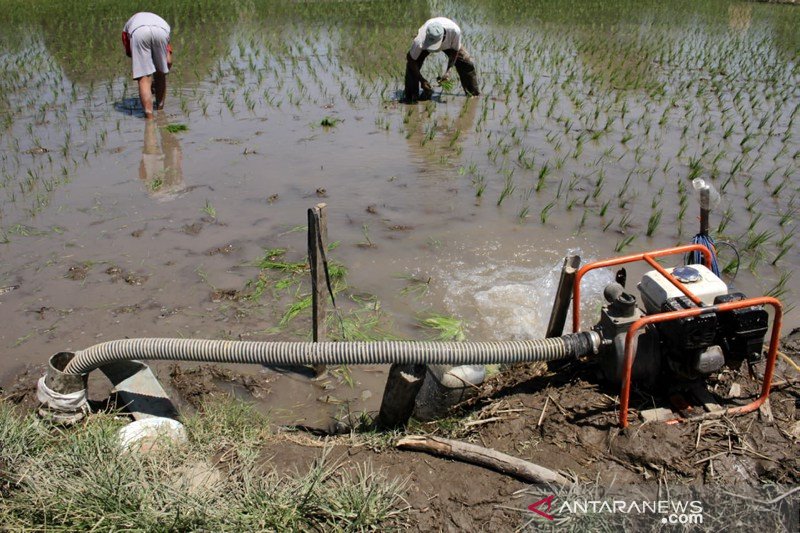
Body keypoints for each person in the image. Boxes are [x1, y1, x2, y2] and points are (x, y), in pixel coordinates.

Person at [404, 17, 480, 103]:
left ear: (443, 37)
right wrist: (422, 80)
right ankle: (411, 97)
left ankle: (473, 94)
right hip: (424, 44)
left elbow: (455, 51)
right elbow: (410, 59)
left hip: (449, 43)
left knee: (466, 63)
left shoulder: (454, 32)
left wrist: (448, 72)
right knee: (412, 67)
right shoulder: (420, 40)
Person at [122, 12, 172, 119]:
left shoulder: (128, 25)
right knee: (161, 74)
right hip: (161, 32)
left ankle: (149, 118)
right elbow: (168, 61)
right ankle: (160, 110)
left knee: (144, 78)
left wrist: (147, 79)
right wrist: (158, 76)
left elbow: (130, 53)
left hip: (139, 32)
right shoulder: (161, 22)